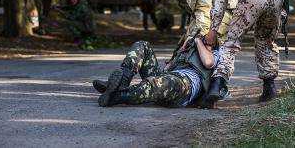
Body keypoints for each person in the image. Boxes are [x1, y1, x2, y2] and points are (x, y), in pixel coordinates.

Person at [94, 35, 225, 108]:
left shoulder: (217, 52)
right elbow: (170, 68)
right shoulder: (191, 47)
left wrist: (198, 41)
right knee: (142, 44)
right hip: (167, 78)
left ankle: (116, 96)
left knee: (161, 83)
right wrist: (181, 51)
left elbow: (208, 63)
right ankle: (122, 81)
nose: (205, 35)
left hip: (185, 86)